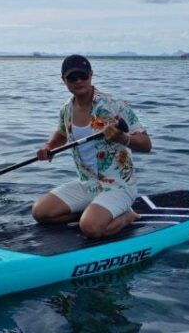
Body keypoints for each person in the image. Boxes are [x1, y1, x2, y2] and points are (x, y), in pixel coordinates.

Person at [32, 55, 152, 239]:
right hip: (88, 184)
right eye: (72, 77)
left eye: (83, 76)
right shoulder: (66, 110)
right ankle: (92, 213)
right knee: (40, 212)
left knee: (90, 228)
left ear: (91, 75)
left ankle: (127, 215)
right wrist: (48, 146)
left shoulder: (113, 105)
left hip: (119, 186)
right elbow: (62, 134)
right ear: (63, 80)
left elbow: (146, 144)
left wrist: (123, 137)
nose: (79, 81)